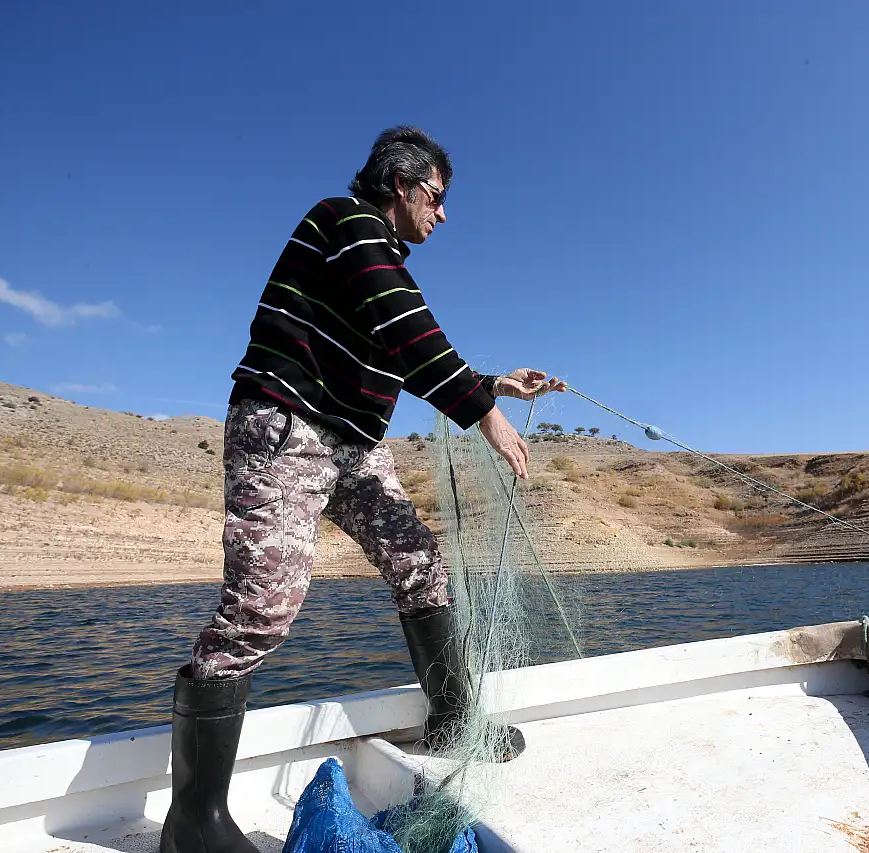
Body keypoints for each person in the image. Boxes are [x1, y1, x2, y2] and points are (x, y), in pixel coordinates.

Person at [160, 126, 565, 853]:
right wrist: (486, 414)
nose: (443, 215)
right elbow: (405, 328)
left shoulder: (382, 264)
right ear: (403, 187)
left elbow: (402, 344)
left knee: (421, 563)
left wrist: (491, 381)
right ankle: (193, 820)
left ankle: (450, 716)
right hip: (287, 425)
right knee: (263, 606)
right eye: (437, 198)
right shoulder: (345, 223)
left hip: (352, 444)